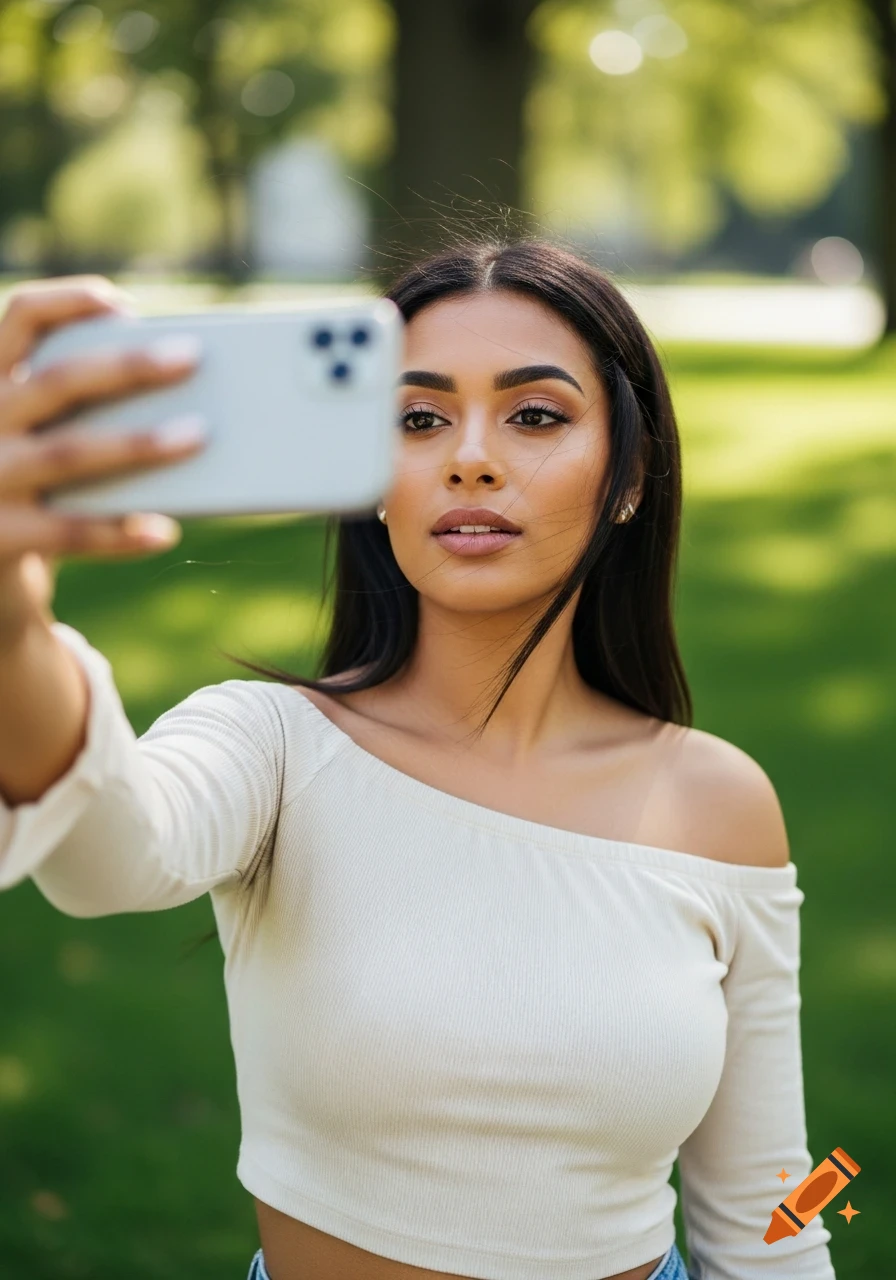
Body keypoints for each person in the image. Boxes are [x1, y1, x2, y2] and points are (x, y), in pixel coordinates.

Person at [0, 242, 836, 1280]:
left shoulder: (722, 802)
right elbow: (102, 856)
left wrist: (795, 1226)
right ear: (367, 476)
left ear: (627, 474)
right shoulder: (274, 743)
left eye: (534, 415)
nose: (469, 457)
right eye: (416, 417)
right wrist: (10, 622)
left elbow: (778, 1202)